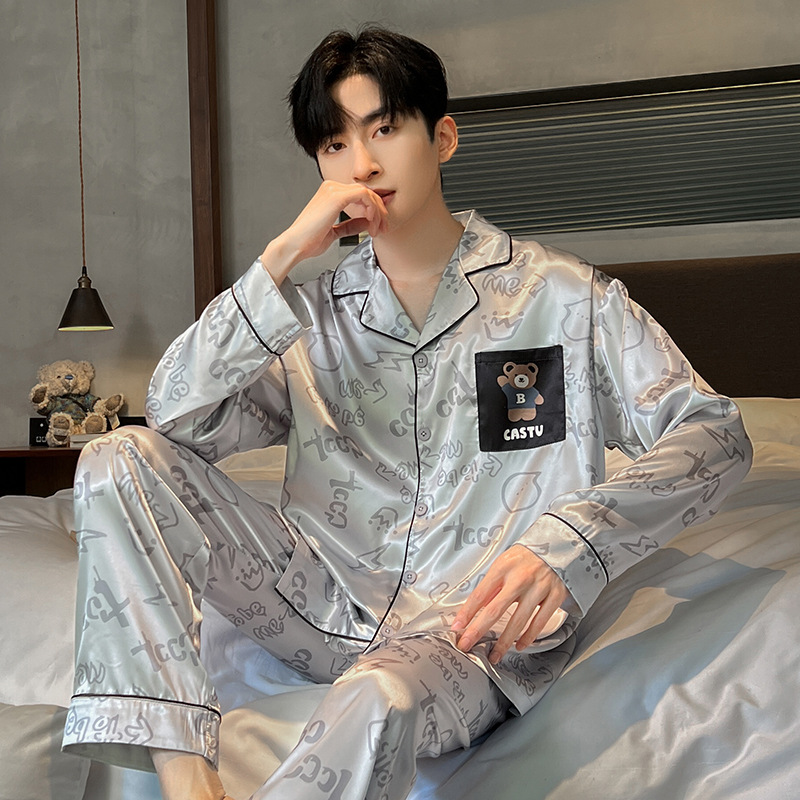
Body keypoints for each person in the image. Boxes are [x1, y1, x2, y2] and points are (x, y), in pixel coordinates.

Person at [62, 26, 752, 800]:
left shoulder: (564, 298)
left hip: (471, 630)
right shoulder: (304, 318)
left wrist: (569, 545)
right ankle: (189, 779)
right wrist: (280, 259)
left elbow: (716, 435)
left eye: (383, 129)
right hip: (316, 604)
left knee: (378, 698)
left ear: (442, 138)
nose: (360, 165)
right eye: (334, 144)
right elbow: (175, 418)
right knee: (114, 457)